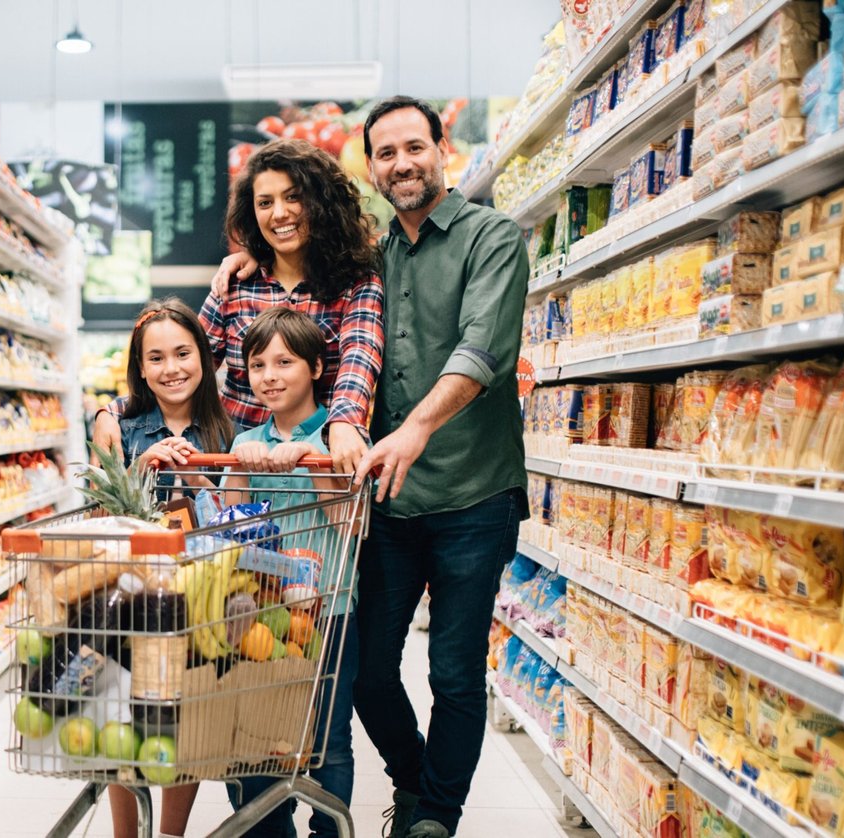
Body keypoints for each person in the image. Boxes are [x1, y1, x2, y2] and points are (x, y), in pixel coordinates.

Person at [209, 97, 529, 838]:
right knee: (370, 674)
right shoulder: (367, 260)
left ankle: (434, 818)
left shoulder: (492, 237)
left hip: (472, 492)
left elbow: (482, 348)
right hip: (382, 501)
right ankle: (415, 781)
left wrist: (399, 429)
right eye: (385, 154)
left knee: (451, 672)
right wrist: (249, 259)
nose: (402, 164)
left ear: (439, 148)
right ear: (371, 168)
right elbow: (333, 336)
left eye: (413, 147)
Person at [93, 139, 385, 476]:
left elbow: (360, 357)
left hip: (316, 467)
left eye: (293, 197)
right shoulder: (236, 285)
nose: (279, 213)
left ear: (321, 202)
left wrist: (345, 422)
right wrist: (111, 411)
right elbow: (185, 362)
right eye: (265, 202)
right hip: (239, 465)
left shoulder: (354, 283)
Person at [220, 307, 360, 838]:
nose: (269, 376)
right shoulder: (244, 441)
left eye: (284, 362)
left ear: (317, 367)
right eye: (258, 365)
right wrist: (243, 466)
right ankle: (265, 828)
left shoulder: (339, 438)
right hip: (262, 615)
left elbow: (350, 526)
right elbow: (230, 525)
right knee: (256, 730)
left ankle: (330, 830)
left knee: (327, 735)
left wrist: (312, 458)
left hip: (330, 608)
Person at [99, 298, 235, 838]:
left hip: (198, 592)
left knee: (186, 712)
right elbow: (103, 512)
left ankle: (172, 834)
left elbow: (241, 516)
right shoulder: (123, 425)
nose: (171, 368)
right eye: (155, 358)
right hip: (128, 590)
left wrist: (201, 479)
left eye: (183, 353)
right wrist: (141, 467)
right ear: (140, 367)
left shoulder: (225, 430)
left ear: (203, 355)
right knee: (119, 711)